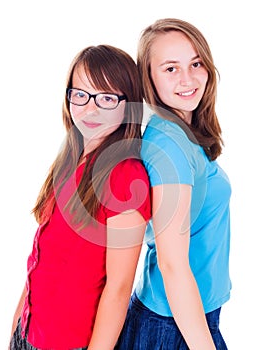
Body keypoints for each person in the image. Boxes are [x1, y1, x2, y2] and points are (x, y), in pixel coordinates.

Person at [9, 44, 151, 350]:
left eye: (106, 98)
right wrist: (16, 327)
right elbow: (41, 258)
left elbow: (118, 288)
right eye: (81, 94)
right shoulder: (71, 156)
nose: (90, 108)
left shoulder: (126, 177)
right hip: (28, 333)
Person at [115, 18, 232, 349]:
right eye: (170, 69)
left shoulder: (181, 134)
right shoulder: (169, 144)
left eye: (196, 63)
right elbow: (172, 264)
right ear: (148, 78)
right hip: (173, 325)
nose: (188, 78)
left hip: (184, 317)